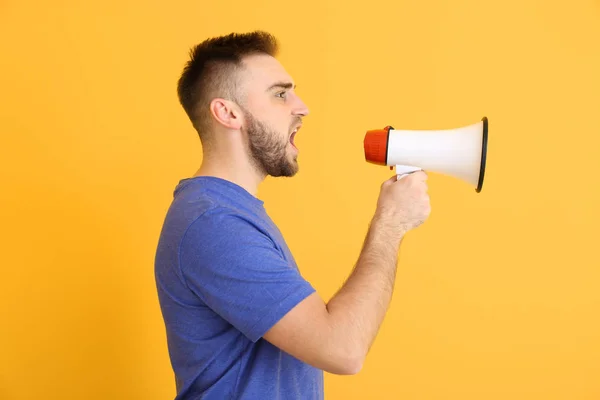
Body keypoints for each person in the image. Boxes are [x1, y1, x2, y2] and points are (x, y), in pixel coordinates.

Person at [154, 30, 431, 400]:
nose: (302, 107)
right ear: (228, 112)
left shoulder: (229, 213)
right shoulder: (215, 223)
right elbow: (343, 349)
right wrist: (391, 223)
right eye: (281, 94)